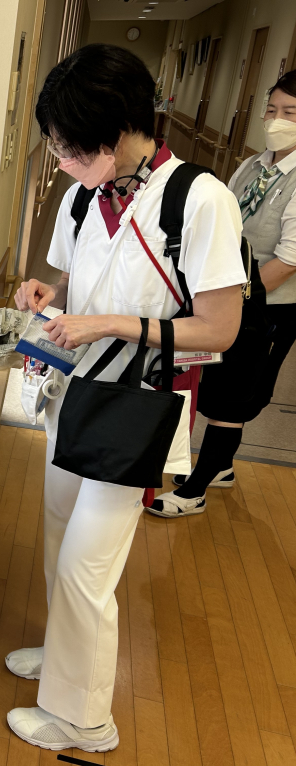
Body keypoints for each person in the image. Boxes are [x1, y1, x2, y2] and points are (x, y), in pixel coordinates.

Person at [8, 44, 245, 752]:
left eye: (67, 147)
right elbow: (77, 282)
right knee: (55, 531)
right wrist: (48, 294)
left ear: (110, 137)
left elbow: (221, 328)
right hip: (71, 390)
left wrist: (108, 323)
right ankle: (62, 655)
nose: (60, 162)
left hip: (138, 409)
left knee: (88, 563)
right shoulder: (84, 193)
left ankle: (83, 719)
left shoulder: (200, 199)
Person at [149, 70, 296, 517]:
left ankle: (195, 490)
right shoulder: (255, 164)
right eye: (271, 110)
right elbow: (223, 227)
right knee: (215, 378)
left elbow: (289, 259)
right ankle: (222, 465)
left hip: (270, 305)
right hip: (233, 292)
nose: (276, 120)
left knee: (235, 391)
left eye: (290, 113)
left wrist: (235, 301)